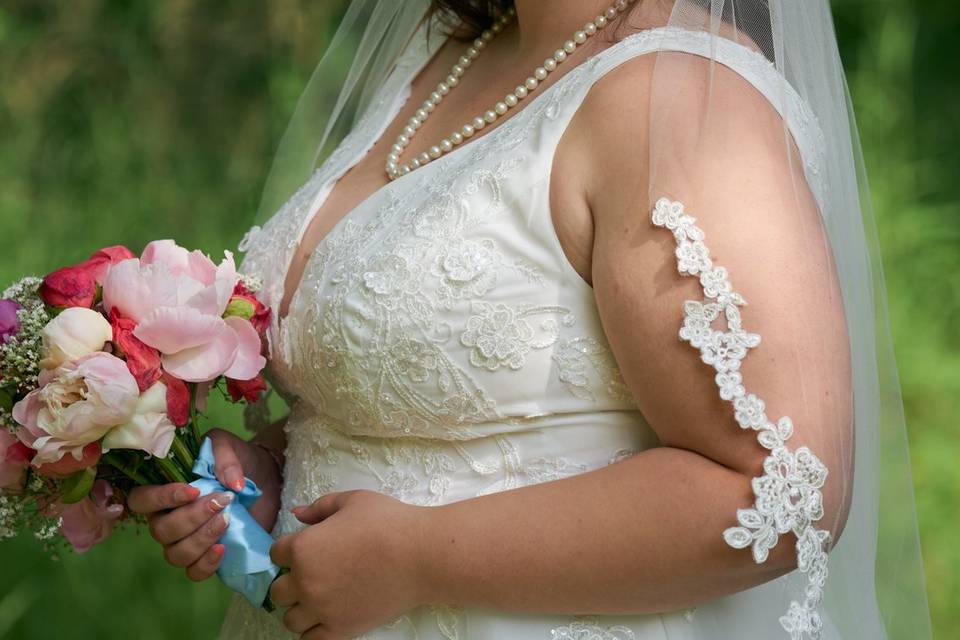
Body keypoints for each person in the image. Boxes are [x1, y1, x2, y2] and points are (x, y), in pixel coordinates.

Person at [128, 1, 931, 638]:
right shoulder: (446, 57)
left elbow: (782, 488)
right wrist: (271, 471)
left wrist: (418, 558)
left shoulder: (680, 98)